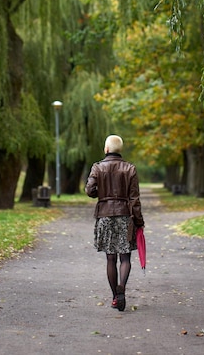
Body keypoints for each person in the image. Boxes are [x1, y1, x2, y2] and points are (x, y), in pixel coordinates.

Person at [85, 134, 144, 312]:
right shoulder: (130, 169)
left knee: (110, 258)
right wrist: (139, 221)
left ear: (106, 149)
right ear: (120, 150)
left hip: (105, 216)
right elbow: (134, 198)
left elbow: (89, 190)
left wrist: (101, 193)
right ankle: (122, 288)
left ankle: (114, 298)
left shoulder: (97, 167)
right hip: (125, 216)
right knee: (125, 256)